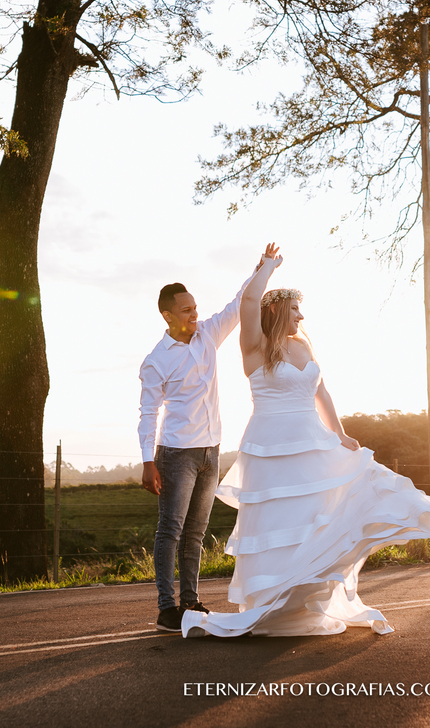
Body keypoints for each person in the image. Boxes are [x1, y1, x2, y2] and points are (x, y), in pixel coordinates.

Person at [182, 244, 430, 638]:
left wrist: (340, 434)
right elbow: (250, 298)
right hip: (271, 447)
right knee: (282, 522)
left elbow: (321, 393)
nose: (301, 316)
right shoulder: (255, 347)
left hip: (313, 441)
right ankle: (273, 601)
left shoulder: (303, 346)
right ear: (276, 311)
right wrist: (268, 268)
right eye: (294, 309)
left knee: (316, 518)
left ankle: (304, 599)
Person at [139, 247, 268, 633]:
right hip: (177, 454)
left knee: (195, 532)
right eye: (186, 310)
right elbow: (148, 413)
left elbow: (236, 304)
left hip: (211, 451)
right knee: (171, 530)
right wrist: (148, 461)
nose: (194, 314)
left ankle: (191, 602)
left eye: (195, 308)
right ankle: (167, 608)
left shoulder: (209, 334)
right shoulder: (156, 360)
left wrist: (259, 271)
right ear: (167, 315)